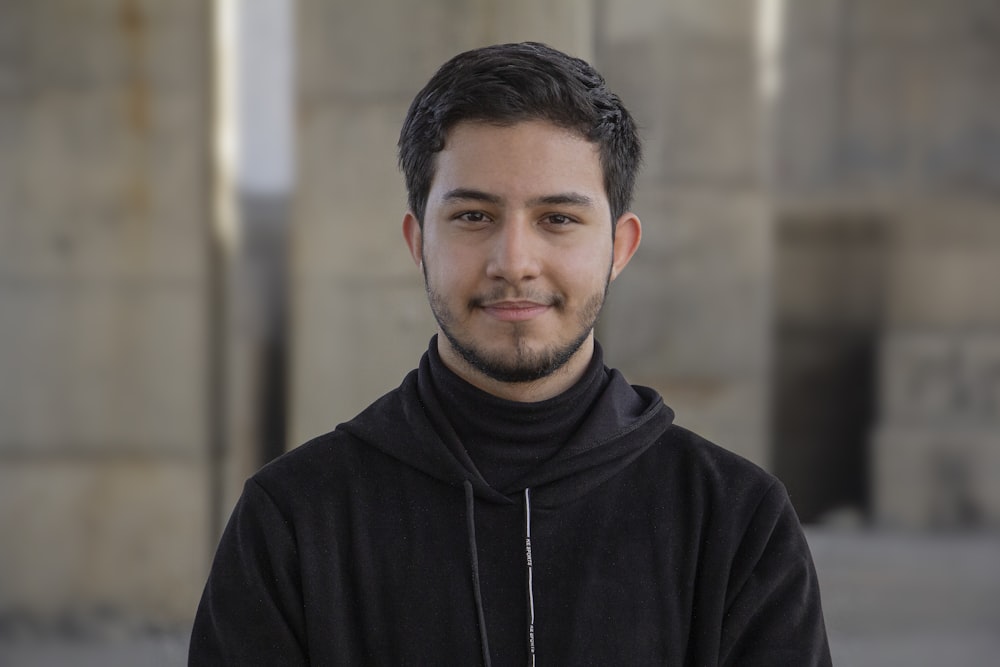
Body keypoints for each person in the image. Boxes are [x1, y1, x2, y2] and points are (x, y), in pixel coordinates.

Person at [189, 42, 831, 666]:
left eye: (557, 219)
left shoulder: (736, 521)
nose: (514, 263)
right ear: (418, 241)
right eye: (473, 217)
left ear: (620, 247)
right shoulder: (294, 519)